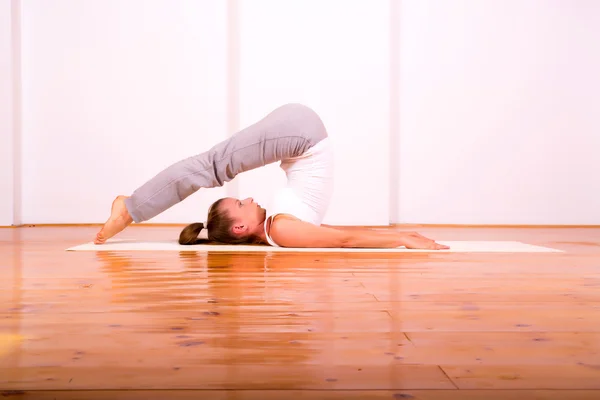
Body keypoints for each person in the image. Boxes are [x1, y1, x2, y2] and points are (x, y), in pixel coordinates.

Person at [94, 103, 448, 250]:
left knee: (213, 166)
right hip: (301, 136)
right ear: (240, 228)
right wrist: (402, 238)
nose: (248, 198)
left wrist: (402, 238)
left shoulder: (277, 227)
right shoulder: (280, 230)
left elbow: (343, 238)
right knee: (212, 166)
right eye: (240, 204)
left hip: (299, 135)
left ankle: (130, 207)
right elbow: (343, 240)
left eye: (239, 199)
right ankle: (130, 206)